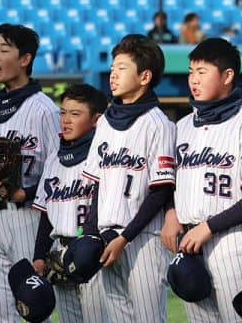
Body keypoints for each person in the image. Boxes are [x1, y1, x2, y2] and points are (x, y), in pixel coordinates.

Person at [163, 38, 242, 322]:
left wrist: (209, 226)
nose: (194, 79)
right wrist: (171, 213)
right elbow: (168, 184)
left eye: (202, 72)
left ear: (227, 76)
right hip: (190, 243)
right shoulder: (182, 127)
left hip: (231, 243)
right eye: (191, 72)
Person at [81, 34, 177, 322]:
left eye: (122, 68)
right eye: (112, 68)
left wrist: (124, 238)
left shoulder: (158, 124)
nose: (113, 74)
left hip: (143, 239)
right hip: (107, 238)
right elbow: (97, 185)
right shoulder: (105, 122)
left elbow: (160, 191)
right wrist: (90, 236)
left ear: (145, 76)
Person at [0, 23, 61, 321]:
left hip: (32, 219)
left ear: (25, 59)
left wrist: (28, 192)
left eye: (3, 49)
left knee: (35, 312)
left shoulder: (45, 110)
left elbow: (62, 173)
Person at [31, 84, 110, 322]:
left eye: (75, 114)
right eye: (63, 113)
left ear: (96, 120)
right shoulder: (54, 159)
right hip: (61, 254)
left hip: (94, 254)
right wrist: (39, 256)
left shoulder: (104, 156)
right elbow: (47, 215)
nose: (66, 120)